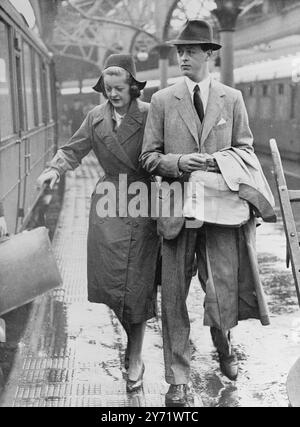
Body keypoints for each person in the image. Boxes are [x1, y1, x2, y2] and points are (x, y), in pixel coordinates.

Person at [141, 20, 276, 406]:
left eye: (191, 50)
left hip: (222, 214)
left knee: (221, 290)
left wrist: (221, 163)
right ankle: (178, 379)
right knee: (175, 301)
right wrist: (181, 161)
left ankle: (224, 344)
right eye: (179, 51)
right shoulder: (164, 100)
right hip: (176, 214)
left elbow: (247, 150)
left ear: (209, 54)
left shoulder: (231, 99)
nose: (183, 56)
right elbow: (148, 158)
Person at [37, 54, 160, 392]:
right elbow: (73, 150)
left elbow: (166, 153)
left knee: (136, 284)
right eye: (108, 89)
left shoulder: (151, 114)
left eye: (119, 88)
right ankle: (132, 342)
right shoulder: (95, 117)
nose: (113, 94)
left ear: (133, 87)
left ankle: (134, 357)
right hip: (108, 202)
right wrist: (54, 169)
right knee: (110, 282)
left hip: (142, 199)